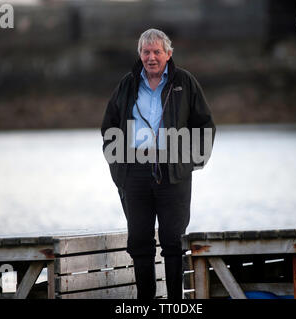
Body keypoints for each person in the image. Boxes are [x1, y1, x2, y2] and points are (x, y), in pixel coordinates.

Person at [101, 28, 215, 300]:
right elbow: (109, 127)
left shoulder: (185, 82)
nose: (151, 57)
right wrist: (119, 170)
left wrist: (190, 162)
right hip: (134, 172)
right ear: (140, 54)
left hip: (172, 172)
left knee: (174, 242)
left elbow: (205, 125)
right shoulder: (127, 84)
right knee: (139, 242)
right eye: (146, 52)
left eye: (157, 52)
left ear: (168, 54)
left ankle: (176, 302)